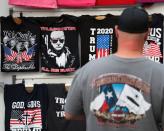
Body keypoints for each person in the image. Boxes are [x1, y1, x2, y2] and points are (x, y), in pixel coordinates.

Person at [64, 6, 164, 131]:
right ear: (147, 34)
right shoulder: (161, 74)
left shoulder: (87, 70)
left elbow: (69, 114)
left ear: (116, 31)